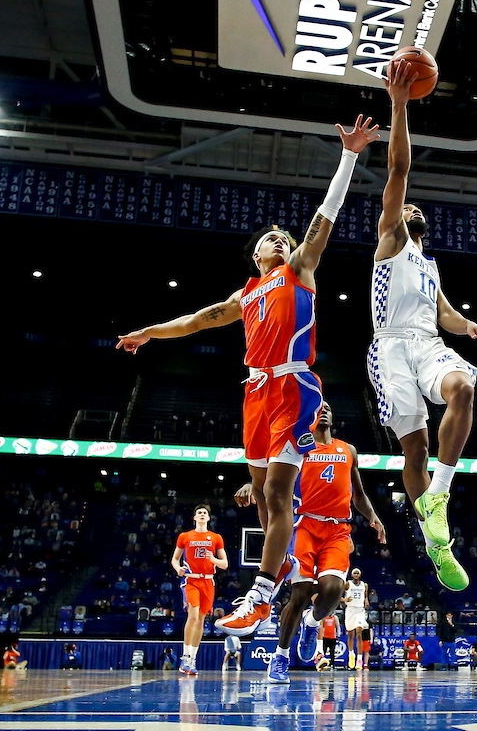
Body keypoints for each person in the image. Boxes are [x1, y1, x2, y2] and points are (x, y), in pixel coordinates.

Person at [120, 116, 380, 638]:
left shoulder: (299, 270)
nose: (280, 241)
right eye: (270, 239)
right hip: (256, 391)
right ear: (256, 255)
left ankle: (261, 595)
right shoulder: (245, 296)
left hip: (294, 384)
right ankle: (280, 568)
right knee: (261, 494)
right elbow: (197, 320)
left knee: (279, 494)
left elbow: (321, 221)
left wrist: (349, 156)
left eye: (283, 238)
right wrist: (149, 331)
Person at [366, 62, 477, 592]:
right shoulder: (391, 240)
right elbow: (398, 173)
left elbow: (443, 313)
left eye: (417, 208)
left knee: (464, 385)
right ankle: (433, 541)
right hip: (389, 350)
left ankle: (437, 498)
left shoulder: (430, 263)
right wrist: (399, 104)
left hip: (428, 343)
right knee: (411, 450)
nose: (410, 205)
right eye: (406, 205)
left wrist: (470, 328)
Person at [259, 403, 386, 684]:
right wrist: (251, 486)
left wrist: (373, 517)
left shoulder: (348, 450)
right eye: (319, 408)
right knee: (301, 594)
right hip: (305, 525)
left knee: (333, 590)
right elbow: (272, 478)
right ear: (310, 416)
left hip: (338, 530)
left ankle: (312, 623)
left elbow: (359, 493)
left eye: (329, 407)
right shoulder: (299, 446)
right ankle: (280, 657)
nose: (325, 410)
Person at [171, 505, 228, 676]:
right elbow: (175, 559)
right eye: (199, 513)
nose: (202, 515)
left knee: (201, 619)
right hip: (191, 579)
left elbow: (224, 564)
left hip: (208, 581)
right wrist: (178, 568)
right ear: (194, 518)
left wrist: (213, 559)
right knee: (193, 616)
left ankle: (192, 659)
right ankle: (185, 656)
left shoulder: (216, 538)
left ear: (209, 518)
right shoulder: (185, 536)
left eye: (205, 513)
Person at [344, 568, 370, 670]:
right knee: (350, 635)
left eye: (357, 573)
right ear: (351, 575)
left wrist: (366, 601)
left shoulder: (365, 585)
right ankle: (351, 654)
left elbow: (365, 596)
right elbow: (338, 593)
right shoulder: (348, 584)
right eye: (354, 573)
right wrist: (344, 599)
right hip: (350, 610)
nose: (355, 575)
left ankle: (359, 659)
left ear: (360, 575)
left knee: (359, 633)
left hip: (360, 610)